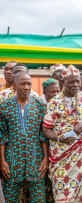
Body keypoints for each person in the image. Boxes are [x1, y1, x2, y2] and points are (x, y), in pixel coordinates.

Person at [43, 65, 82, 202]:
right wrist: (59, 139)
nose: (76, 84)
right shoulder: (55, 102)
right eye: (71, 82)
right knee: (63, 194)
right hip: (62, 155)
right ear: (63, 82)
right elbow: (46, 129)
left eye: (78, 81)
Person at [0, 72, 48, 202]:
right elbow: (2, 135)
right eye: (22, 84)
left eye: (29, 84)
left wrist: (45, 158)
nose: (27, 87)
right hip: (12, 160)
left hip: (36, 159)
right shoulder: (4, 106)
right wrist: (2, 160)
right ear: (14, 86)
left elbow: (43, 135)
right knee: (10, 197)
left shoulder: (40, 105)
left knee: (39, 198)